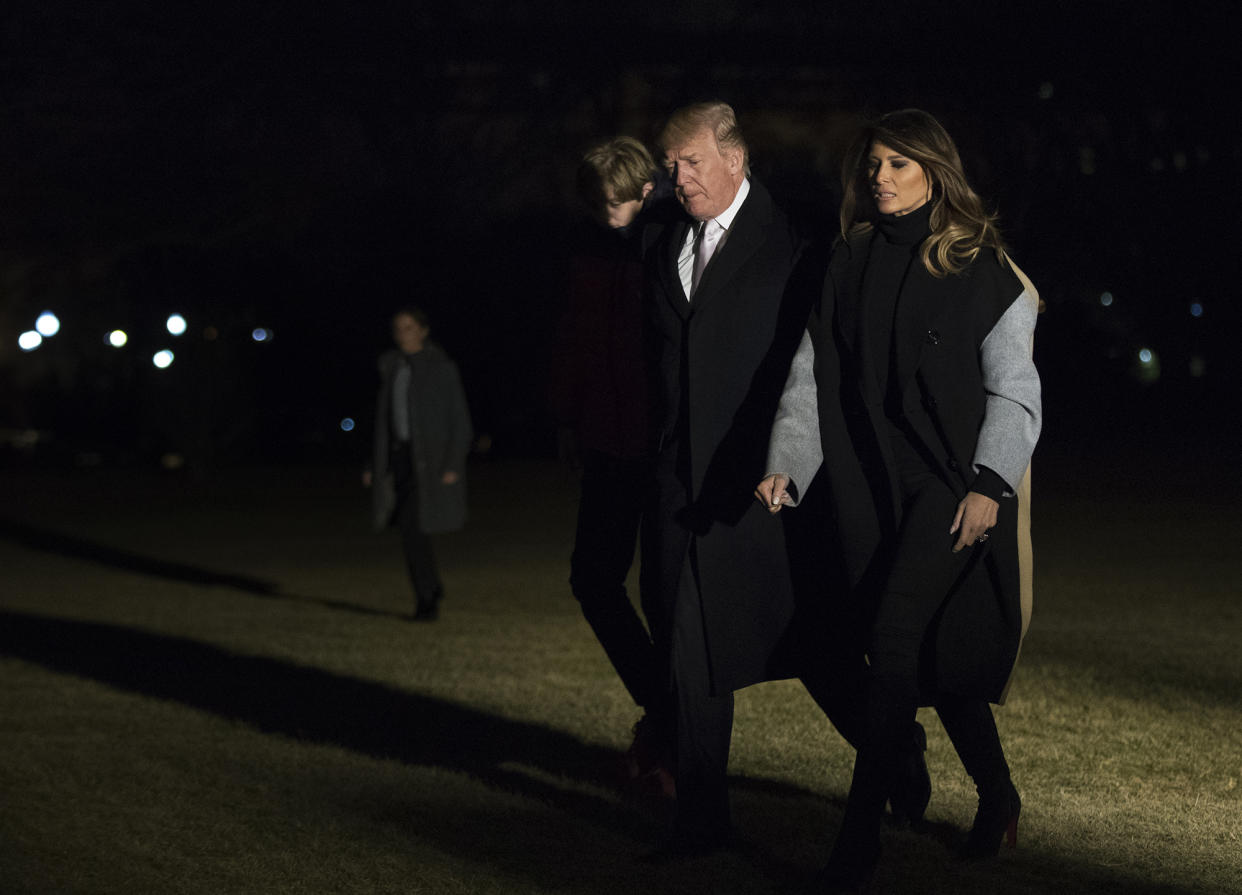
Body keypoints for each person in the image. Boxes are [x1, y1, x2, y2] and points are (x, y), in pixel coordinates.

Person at [757, 108, 1041, 891]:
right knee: (933, 659)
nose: (880, 177)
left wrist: (991, 483)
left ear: (934, 172)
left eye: (898, 165)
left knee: (893, 637)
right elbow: (812, 374)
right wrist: (789, 460)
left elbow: (1016, 390)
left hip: (953, 484)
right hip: (870, 484)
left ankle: (859, 841)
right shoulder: (848, 260)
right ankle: (999, 794)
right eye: (873, 164)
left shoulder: (982, 265)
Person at [643, 101, 926, 857]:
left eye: (691, 161)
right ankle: (702, 823)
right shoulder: (662, 240)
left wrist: (789, 460)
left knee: (812, 648)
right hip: (681, 491)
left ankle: (894, 745)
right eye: (669, 165)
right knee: (691, 657)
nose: (678, 178)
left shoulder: (798, 245)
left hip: (767, 489)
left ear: (735, 159)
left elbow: (816, 371)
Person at [548, 136, 672, 790]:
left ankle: (671, 730)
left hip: (659, 445)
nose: (603, 210)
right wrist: (569, 417)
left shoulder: (669, 246)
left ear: (644, 190)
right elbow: (575, 338)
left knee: (661, 591)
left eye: (613, 199)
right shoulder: (590, 253)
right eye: (595, 201)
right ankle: (667, 713)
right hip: (606, 441)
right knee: (593, 578)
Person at [367, 306, 473, 621]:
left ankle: (426, 598)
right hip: (399, 459)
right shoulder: (392, 367)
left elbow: (460, 420)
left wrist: (452, 462)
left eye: (410, 327)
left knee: (414, 528)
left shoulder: (441, 368)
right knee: (411, 530)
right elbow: (382, 422)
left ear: (423, 330)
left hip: (427, 461)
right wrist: (374, 464)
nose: (403, 334)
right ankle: (432, 587)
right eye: (398, 328)